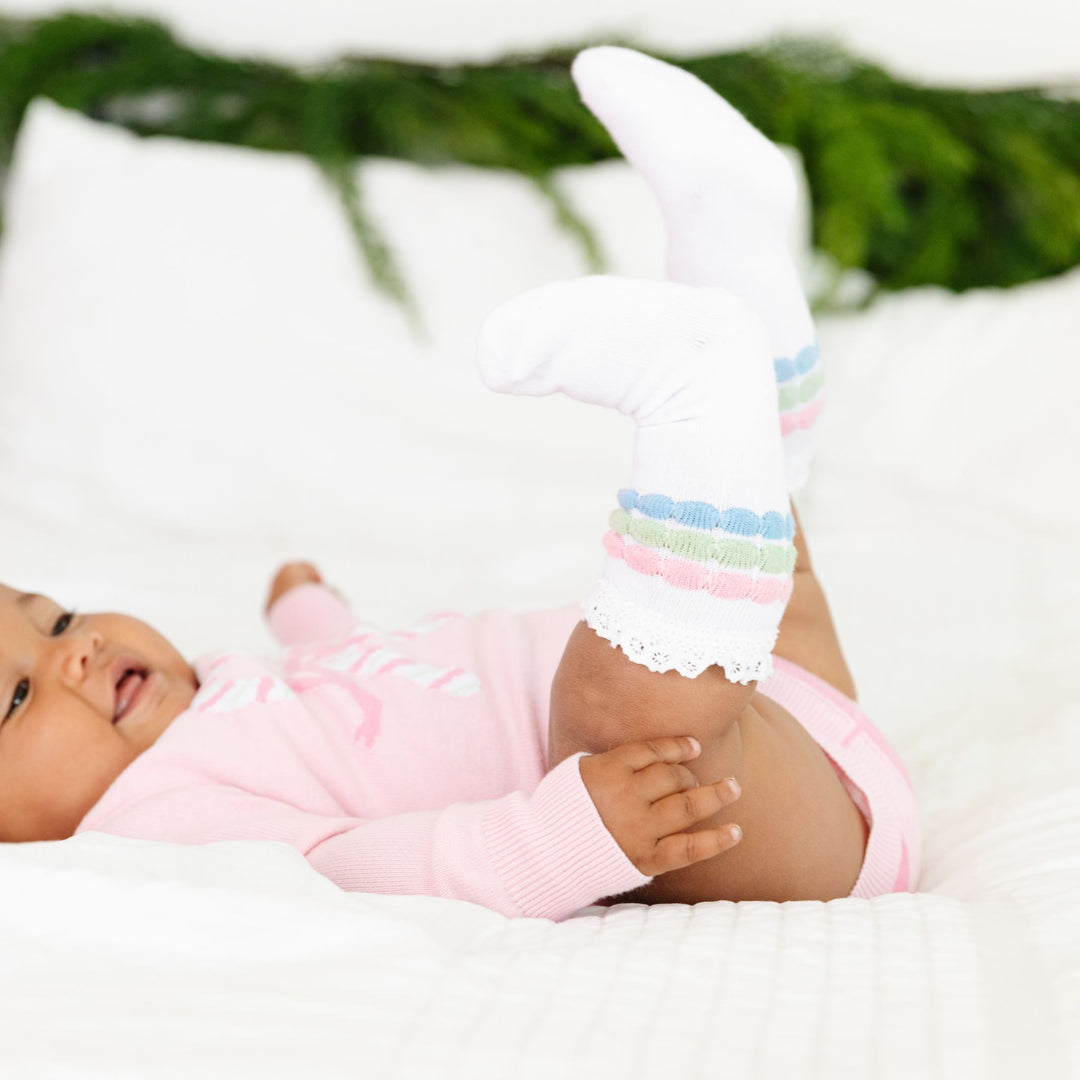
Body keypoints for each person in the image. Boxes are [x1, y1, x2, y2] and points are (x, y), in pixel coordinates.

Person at [0, 47, 919, 920]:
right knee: (608, 717)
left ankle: (734, 249)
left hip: (762, 694)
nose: (70, 652)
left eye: (57, 617)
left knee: (763, 555)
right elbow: (339, 865)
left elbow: (346, 694)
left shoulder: (210, 700)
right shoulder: (147, 828)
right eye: (16, 696)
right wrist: (546, 845)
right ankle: (701, 388)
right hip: (718, 808)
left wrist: (309, 616)